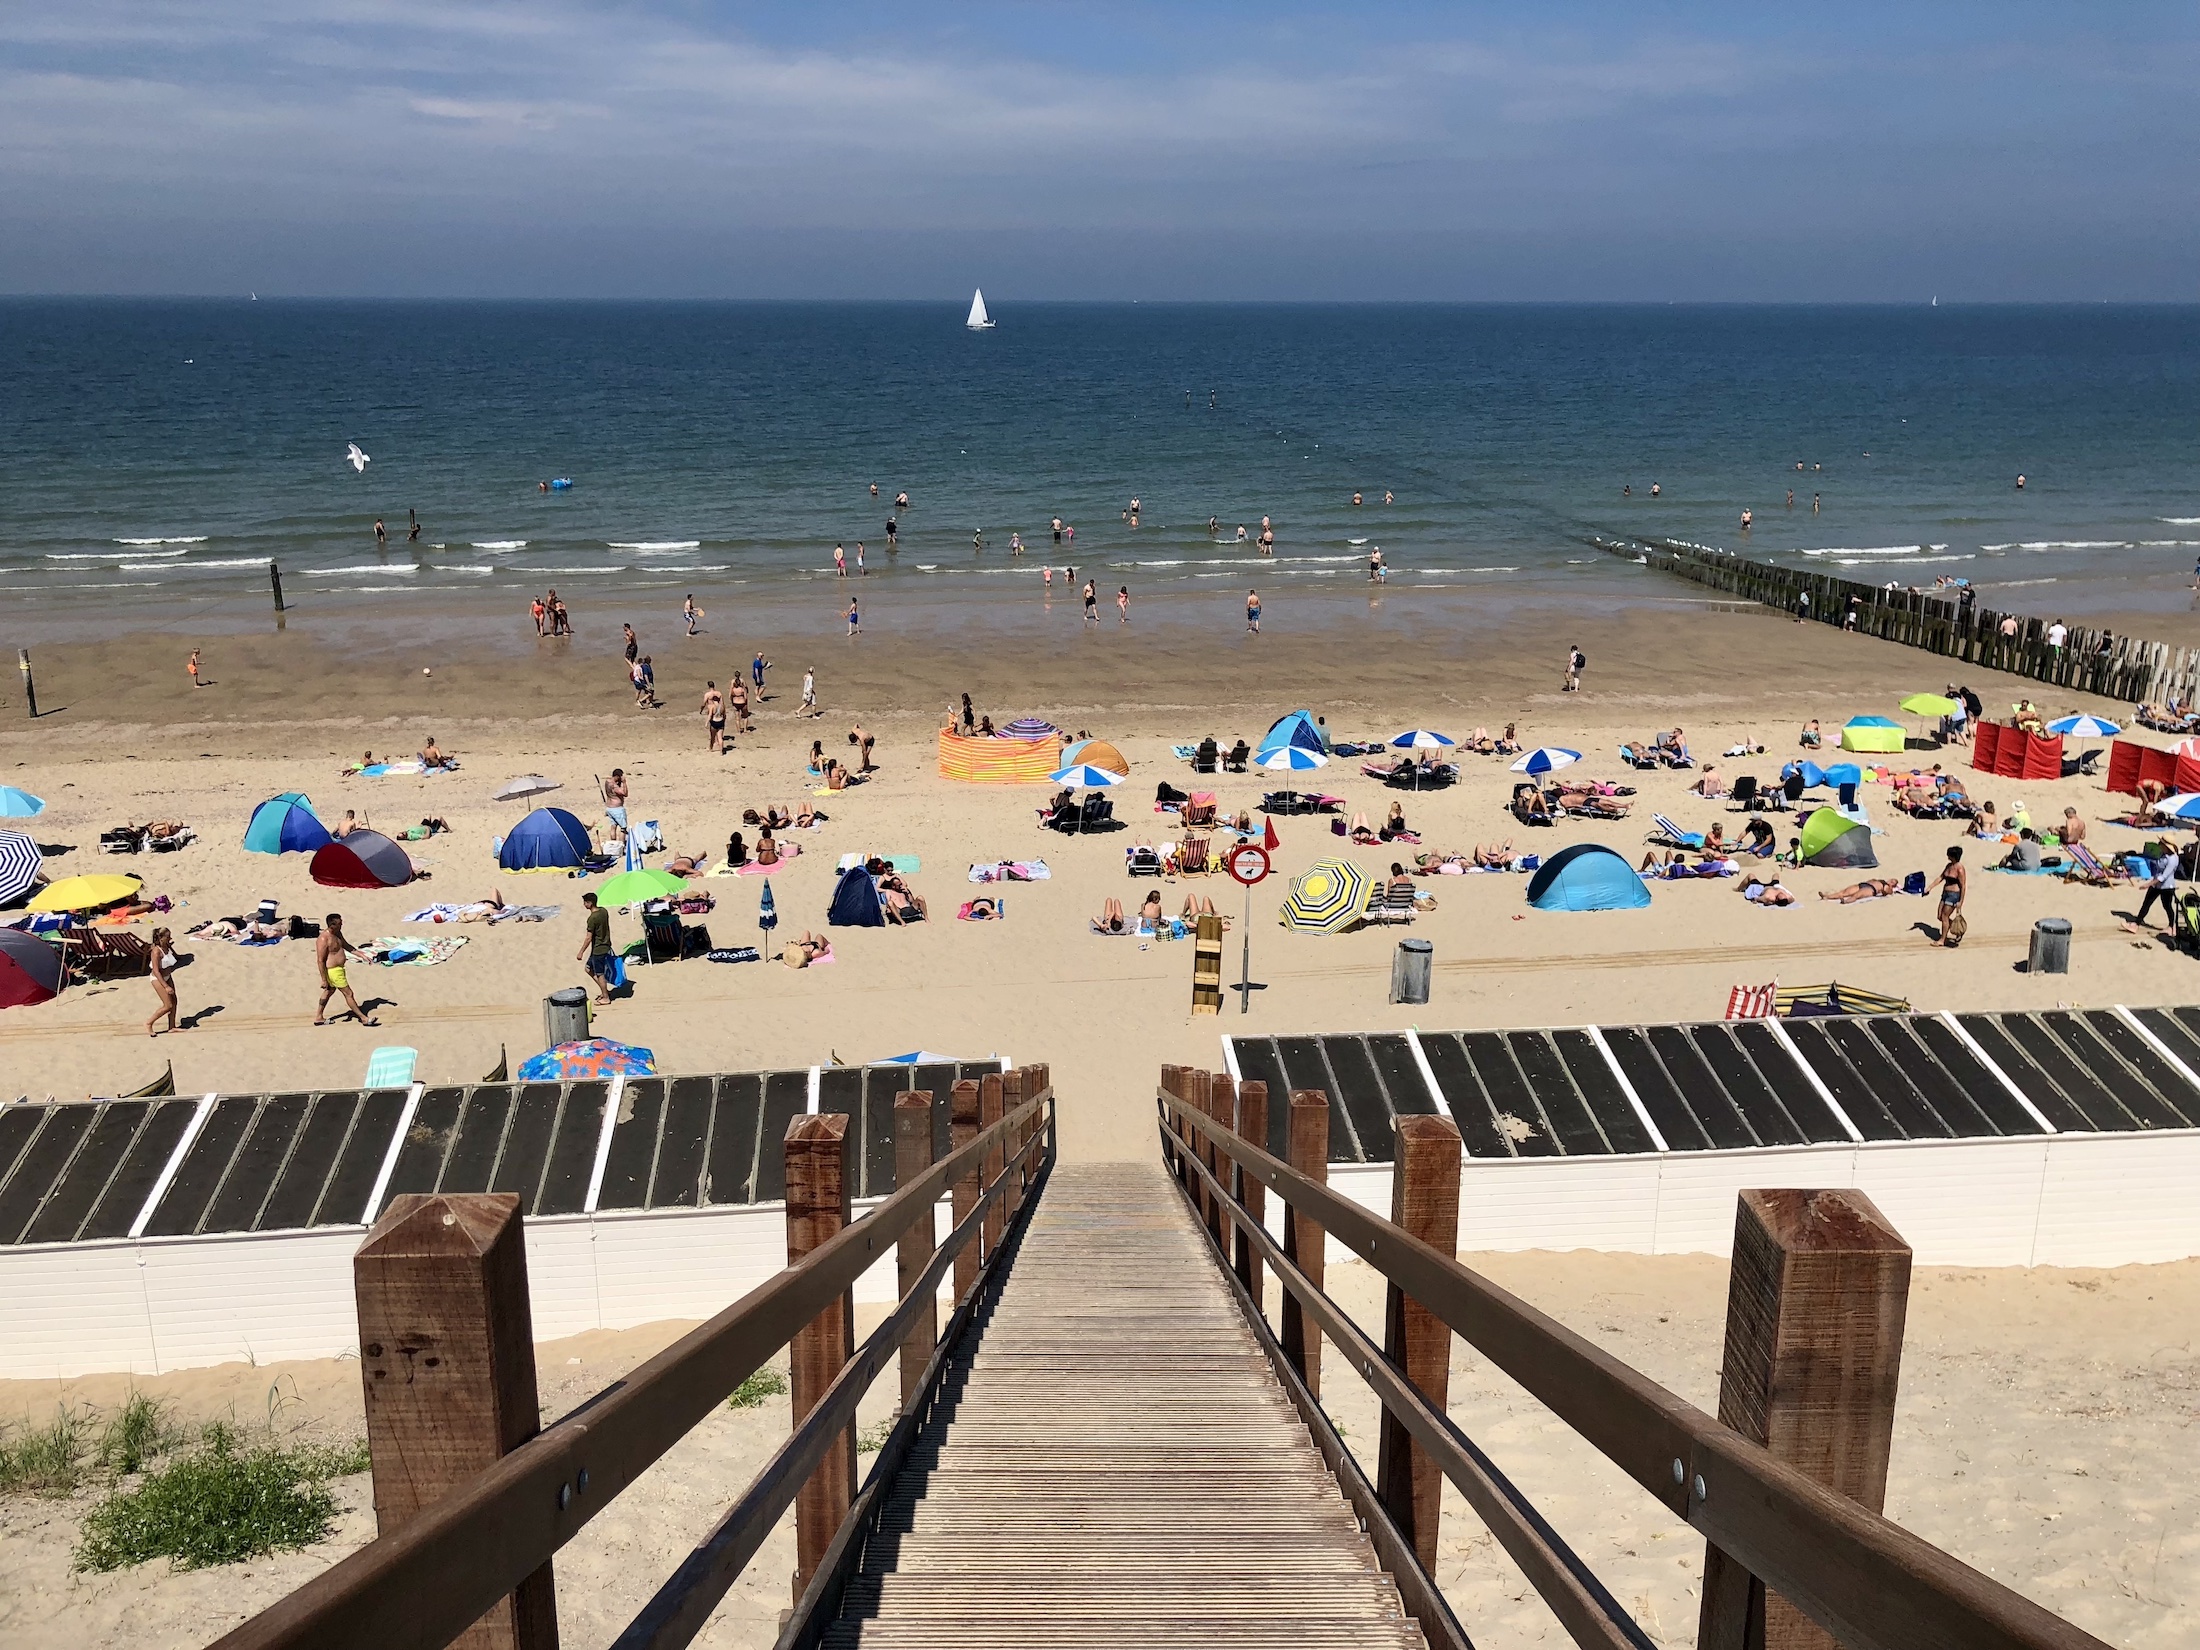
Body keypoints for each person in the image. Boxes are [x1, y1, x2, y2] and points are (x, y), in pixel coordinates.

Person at [315, 913, 376, 1025]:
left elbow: (347, 946)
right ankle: (363, 1018)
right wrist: (324, 979)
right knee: (349, 994)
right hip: (333, 971)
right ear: (332, 925)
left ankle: (319, 1017)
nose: (342, 925)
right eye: (339, 924)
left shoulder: (338, 933)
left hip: (339, 969)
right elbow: (320, 960)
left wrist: (363, 956)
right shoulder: (324, 939)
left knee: (329, 991)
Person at [146, 928, 181, 1037]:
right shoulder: (156, 951)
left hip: (167, 976)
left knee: (174, 1001)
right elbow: (156, 971)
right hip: (158, 979)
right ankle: (149, 1023)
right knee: (168, 1005)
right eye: (168, 936)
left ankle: (172, 1026)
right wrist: (165, 986)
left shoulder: (167, 946)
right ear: (161, 938)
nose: (170, 938)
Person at [2134, 844, 2179, 928]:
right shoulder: (2162, 855)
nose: (2159, 846)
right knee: (2147, 903)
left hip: (2166, 886)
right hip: (2156, 884)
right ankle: (2137, 923)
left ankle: (2172, 926)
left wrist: (2148, 884)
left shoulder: (2173, 859)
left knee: (2167, 906)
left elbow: (2164, 876)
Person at [1934, 845, 1968, 946]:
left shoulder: (1960, 869)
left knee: (1945, 916)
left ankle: (1942, 940)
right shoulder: (1949, 866)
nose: (1947, 857)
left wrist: (1961, 901)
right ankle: (1956, 928)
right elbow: (1941, 877)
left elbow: (1963, 886)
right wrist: (1930, 888)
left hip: (1954, 895)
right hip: (1945, 894)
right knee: (1940, 916)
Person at [702, 681, 726, 753]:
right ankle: (721, 751)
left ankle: (710, 748)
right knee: (720, 737)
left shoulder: (712, 706)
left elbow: (710, 715)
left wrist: (706, 723)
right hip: (721, 721)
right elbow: (724, 714)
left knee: (712, 737)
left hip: (714, 721)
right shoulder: (722, 706)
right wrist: (724, 720)